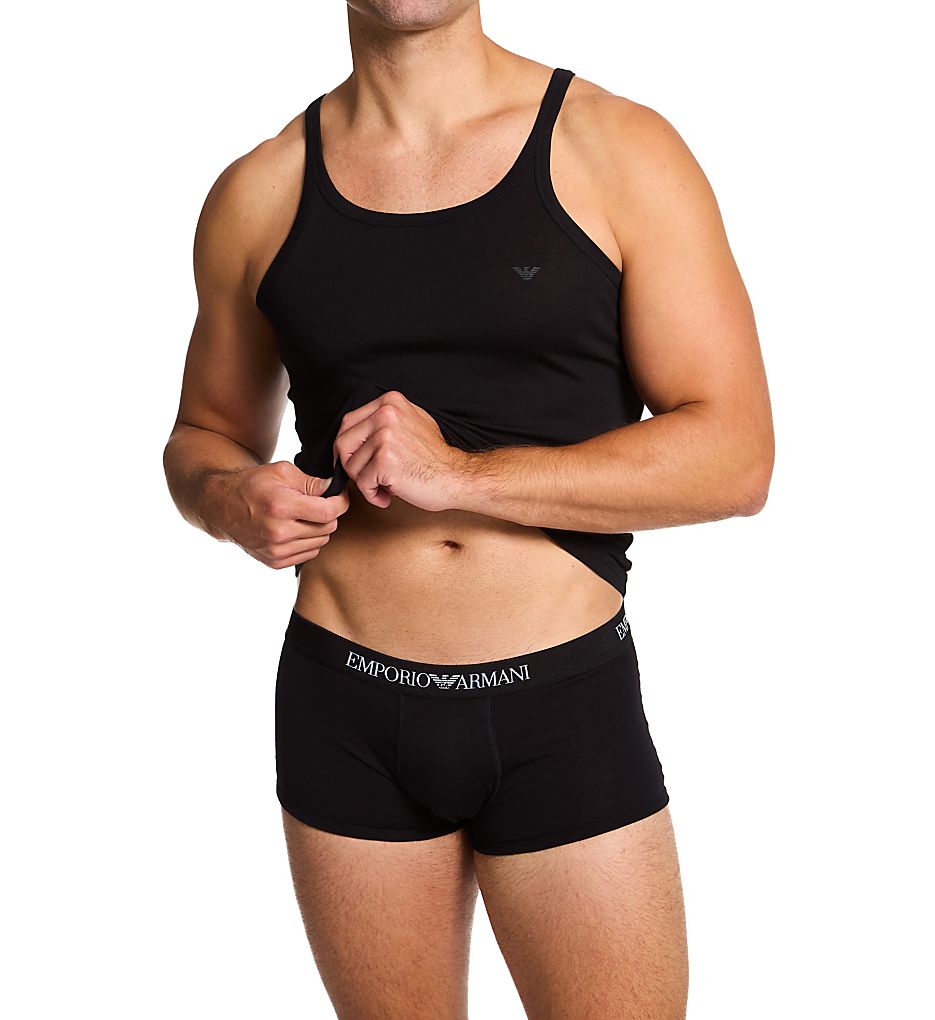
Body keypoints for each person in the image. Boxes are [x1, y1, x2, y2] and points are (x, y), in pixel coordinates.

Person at [163, 2, 774, 1016]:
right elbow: (202, 434)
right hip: (343, 701)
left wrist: (464, 476)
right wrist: (230, 498)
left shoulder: (616, 148)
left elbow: (734, 457)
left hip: (558, 703)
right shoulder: (257, 191)